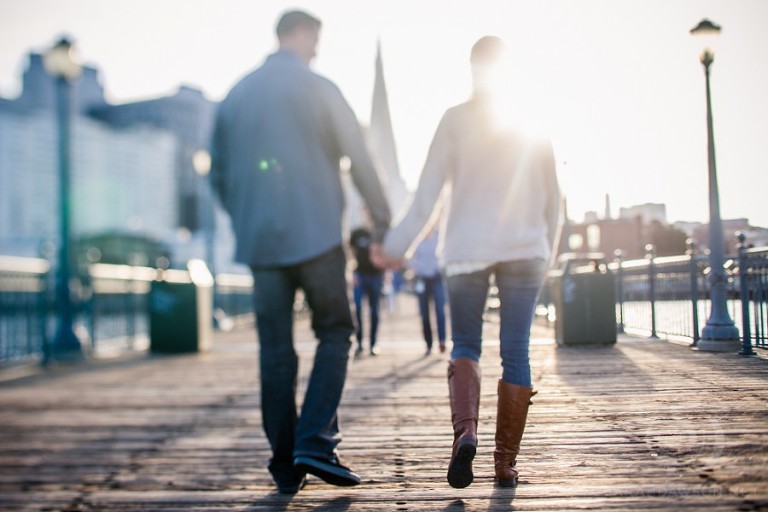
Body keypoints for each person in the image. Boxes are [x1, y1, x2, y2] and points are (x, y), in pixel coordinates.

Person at [210, 10, 391, 494]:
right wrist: (383, 217)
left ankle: (284, 463)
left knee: (275, 352)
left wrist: (246, 216)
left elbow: (218, 175)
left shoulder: (236, 94)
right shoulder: (320, 88)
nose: (317, 49)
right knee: (336, 329)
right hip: (317, 238)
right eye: (316, 39)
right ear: (302, 33)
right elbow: (357, 153)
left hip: (261, 245)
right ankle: (314, 439)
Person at [376, 36, 562, 489]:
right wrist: (548, 255)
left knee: (465, 345)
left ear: (472, 68)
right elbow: (555, 199)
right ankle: (505, 464)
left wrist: (395, 247)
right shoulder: (531, 121)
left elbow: (426, 197)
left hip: (465, 252)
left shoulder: (454, 120)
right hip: (525, 250)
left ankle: (467, 433)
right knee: (516, 350)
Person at [409, 229, 447, 355]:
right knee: (424, 313)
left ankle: (442, 340)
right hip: (422, 279)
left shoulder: (439, 235)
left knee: (440, 310)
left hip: (437, 278)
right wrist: (418, 267)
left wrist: (439, 266)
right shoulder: (417, 237)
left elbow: (445, 253)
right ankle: (429, 344)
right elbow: (409, 257)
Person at [349, 225, 384, 356]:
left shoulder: (378, 233)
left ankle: (373, 343)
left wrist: (385, 271)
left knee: (374, 310)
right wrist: (351, 272)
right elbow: (348, 251)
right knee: (356, 307)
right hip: (360, 276)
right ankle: (358, 343)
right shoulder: (357, 233)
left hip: (376, 275)